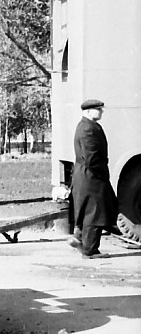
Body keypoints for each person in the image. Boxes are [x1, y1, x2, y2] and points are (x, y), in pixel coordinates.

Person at [69, 98, 118, 259]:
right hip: (92, 177)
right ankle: (90, 249)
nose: (101, 111)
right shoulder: (88, 129)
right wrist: (103, 173)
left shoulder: (87, 126)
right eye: (99, 109)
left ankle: (80, 239)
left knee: (91, 210)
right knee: (95, 212)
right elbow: (92, 158)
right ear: (89, 111)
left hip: (88, 176)